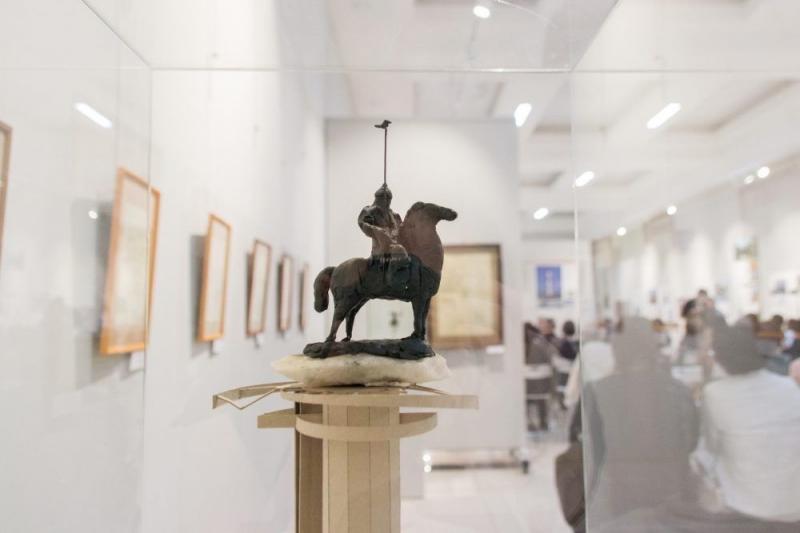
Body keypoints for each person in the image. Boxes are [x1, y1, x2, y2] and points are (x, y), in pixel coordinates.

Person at [583, 317, 699, 529]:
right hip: (671, 487)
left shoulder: (598, 392)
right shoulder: (677, 391)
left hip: (619, 490)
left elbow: (595, 451)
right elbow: (690, 442)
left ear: (617, 350)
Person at [696, 322, 800, 524]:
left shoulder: (716, 393)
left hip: (745, 503)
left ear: (719, 357)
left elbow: (710, 447)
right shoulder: (789, 386)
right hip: (794, 501)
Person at [357, 184, 409, 285]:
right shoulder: (371, 211)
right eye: (382, 198)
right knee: (399, 250)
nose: (386, 201)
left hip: (396, 246)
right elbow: (363, 223)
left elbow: (403, 231)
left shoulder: (395, 216)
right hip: (380, 249)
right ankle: (390, 279)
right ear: (377, 199)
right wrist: (377, 230)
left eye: (389, 198)